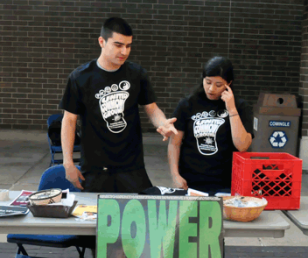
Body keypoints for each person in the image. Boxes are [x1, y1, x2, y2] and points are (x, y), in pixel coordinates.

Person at [59, 17, 177, 193]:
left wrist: (162, 123)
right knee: (94, 218)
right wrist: (67, 162)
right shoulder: (80, 77)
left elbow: (151, 108)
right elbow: (69, 120)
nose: (124, 51)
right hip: (95, 168)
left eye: (128, 46)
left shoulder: (137, 74)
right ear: (101, 41)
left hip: (131, 166)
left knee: (142, 215)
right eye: (118, 45)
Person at [168, 56, 253, 195]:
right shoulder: (187, 104)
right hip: (191, 181)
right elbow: (174, 143)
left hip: (226, 183)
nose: (211, 89)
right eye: (208, 82)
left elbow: (242, 145)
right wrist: (175, 175)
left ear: (229, 83)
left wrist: (231, 109)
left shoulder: (240, 106)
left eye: (218, 85)